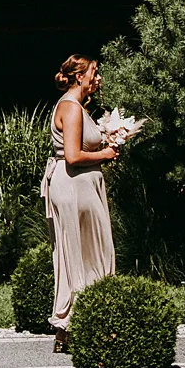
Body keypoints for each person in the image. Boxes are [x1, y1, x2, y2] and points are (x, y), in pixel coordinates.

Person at [43, 55, 118, 350]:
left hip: (82, 185)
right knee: (84, 254)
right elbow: (73, 156)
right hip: (74, 185)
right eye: (94, 73)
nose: (97, 78)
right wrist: (106, 154)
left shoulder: (76, 107)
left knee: (85, 253)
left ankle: (69, 330)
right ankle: (78, 323)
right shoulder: (71, 109)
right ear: (79, 77)